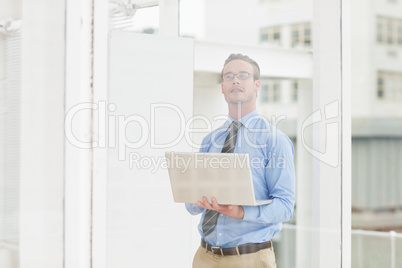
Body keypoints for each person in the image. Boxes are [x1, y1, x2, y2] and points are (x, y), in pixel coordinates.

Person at [185, 53, 296, 268]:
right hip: (204, 257)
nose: (235, 80)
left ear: (257, 85)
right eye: (229, 76)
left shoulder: (274, 141)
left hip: (250, 259)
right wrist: (194, 198)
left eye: (243, 75)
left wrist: (241, 212)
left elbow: (285, 206)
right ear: (223, 87)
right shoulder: (211, 140)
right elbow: (192, 208)